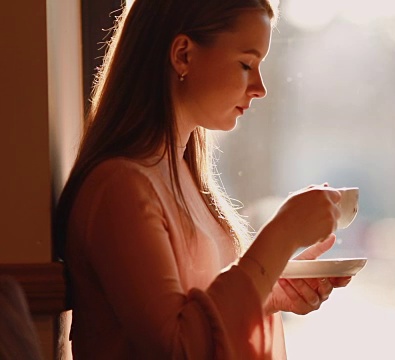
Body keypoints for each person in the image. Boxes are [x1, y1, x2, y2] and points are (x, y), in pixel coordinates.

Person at [53, 0, 352, 358]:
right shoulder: (121, 188)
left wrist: (268, 289)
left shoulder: (183, 178)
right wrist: (281, 235)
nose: (260, 87)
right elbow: (176, 348)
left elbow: (199, 310)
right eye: (246, 64)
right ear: (183, 55)